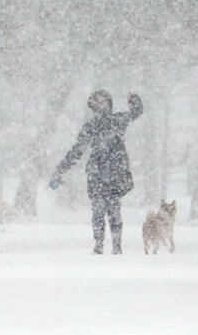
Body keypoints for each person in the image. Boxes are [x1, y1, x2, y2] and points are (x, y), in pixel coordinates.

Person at [50, 90, 143, 254]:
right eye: (96, 101)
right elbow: (76, 151)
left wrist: (134, 99)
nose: (100, 105)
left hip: (115, 173)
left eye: (102, 101)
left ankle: (116, 247)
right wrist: (60, 170)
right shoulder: (91, 126)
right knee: (98, 210)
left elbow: (137, 111)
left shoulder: (118, 120)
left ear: (109, 102)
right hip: (97, 173)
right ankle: (99, 245)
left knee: (114, 210)